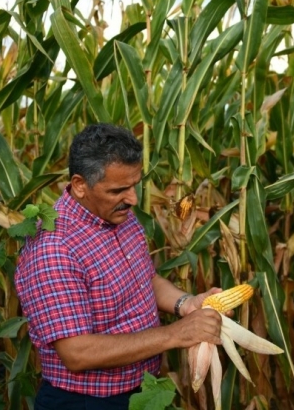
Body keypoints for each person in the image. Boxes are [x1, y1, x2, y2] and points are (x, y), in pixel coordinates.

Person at [15, 123, 222, 409]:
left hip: (140, 390)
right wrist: (177, 334)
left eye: (134, 185)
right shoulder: (54, 248)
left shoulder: (118, 214)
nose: (133, 199)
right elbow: (78, 353)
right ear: (79, 185)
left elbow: (143, 280)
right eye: (118, 190)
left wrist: (186, 304)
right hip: (86, 402)